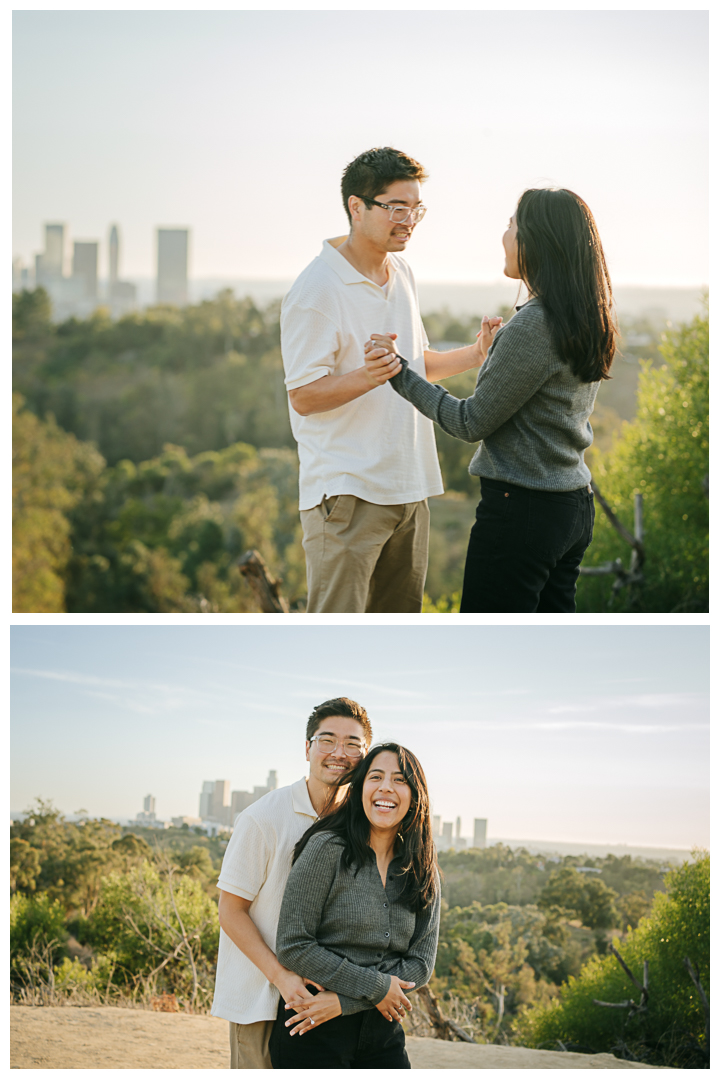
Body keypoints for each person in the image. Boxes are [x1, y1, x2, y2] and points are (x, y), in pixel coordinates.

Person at [364, 187, 617, 613]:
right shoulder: (585, 315)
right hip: (571, 506)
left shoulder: (534, 326)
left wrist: (400, 373)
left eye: (511, 225)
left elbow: (469, 422)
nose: (504, 236)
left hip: (523, 511)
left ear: (537, 240)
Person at [280, 146, 500, 613]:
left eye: (416, 207)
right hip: (347, 494)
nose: (409, 220)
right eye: (396, 207)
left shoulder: (401, 271)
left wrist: (477, 354)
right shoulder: (315, 290)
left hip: (410, 488)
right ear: (356, 207)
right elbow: (302, 396)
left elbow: (415, 364)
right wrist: (369, 375)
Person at [210, 698, 372, 1068]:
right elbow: (231, 911)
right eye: (327, 740)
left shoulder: (360, 823)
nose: (339, 753)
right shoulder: (263, 818)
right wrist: (282, 978)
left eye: (352, 744)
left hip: (325, 1006)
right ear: (307, 748)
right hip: (261, 1001)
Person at [268, 743, 441, 1070]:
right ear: (360, 788)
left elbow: (420, 964)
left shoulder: (421, 866)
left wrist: (345, 1003)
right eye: (376, 776)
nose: (386, 787)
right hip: (313, 1027)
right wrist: (376, 988)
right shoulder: (326, 848)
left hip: (383, 1032)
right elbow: (293, 945)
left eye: (400, 780)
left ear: (415, 796)